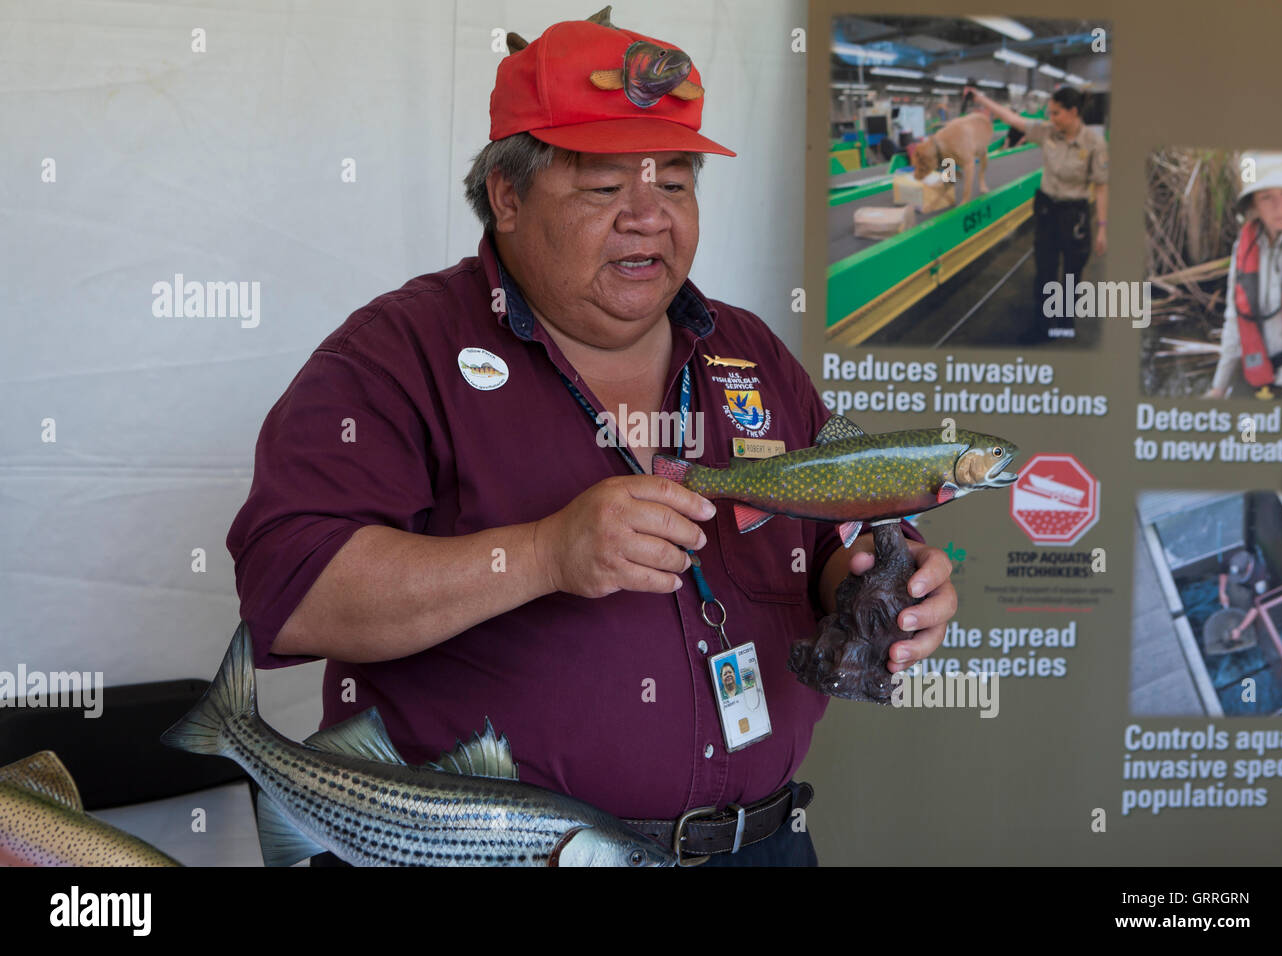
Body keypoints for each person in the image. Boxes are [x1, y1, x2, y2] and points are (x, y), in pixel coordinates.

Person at [226, 13, 956, 867]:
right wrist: (543, 555)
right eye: (605, 190)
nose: (648, 220)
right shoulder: (396, 355)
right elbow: (292, 590)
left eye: (676, 185)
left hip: (759, 844)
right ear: (507, 194)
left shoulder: (749, 351)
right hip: (494, 857)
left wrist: (881, 583)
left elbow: (836, 529)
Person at [964, 85, 1109, 342]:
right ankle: (1042, 327)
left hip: (1074, 214)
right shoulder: (1047, 132)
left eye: (1056, 113)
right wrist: (980, 98)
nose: (1051, 118)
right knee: (1044, 271)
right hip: (1046, 210)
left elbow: (1101, 186)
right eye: (1050, 113)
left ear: (1073, 112)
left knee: (1072, 274)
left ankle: (1064, 322)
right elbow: (1012, 119)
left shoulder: (1094, 143)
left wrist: (1102, 228)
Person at [1205, 152, 1282, 399]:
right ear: (1254, 205)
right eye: (1266, 197)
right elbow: (1234, 322)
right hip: (1263, 378)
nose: (1278, 205)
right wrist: (1219, 387)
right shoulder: (1244, 247)